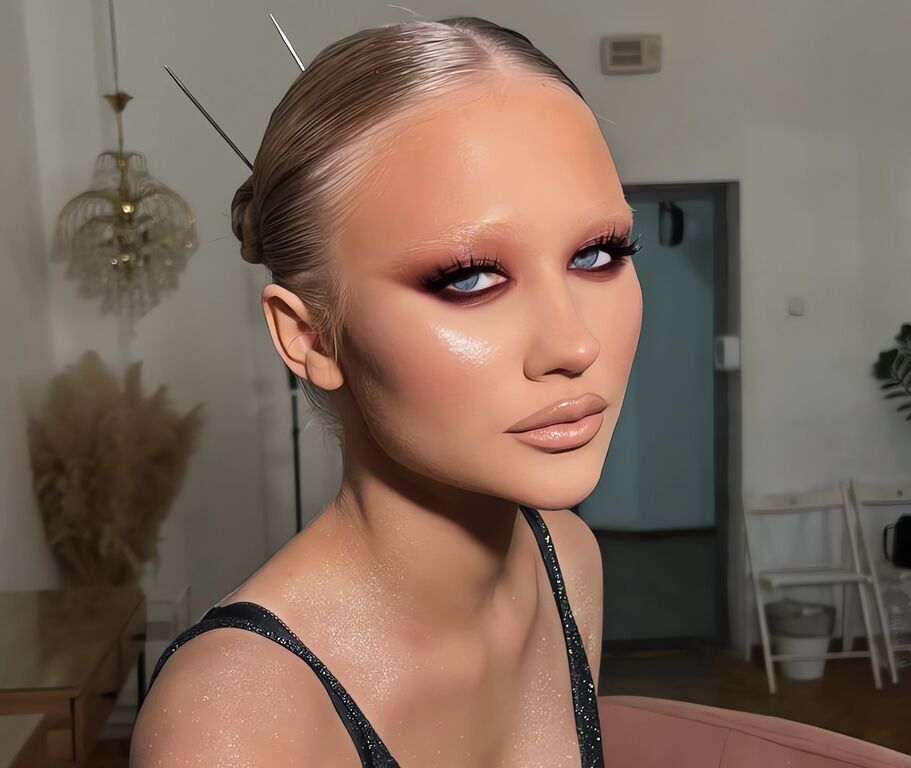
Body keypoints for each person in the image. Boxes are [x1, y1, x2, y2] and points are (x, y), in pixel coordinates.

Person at [131, 15, 642, 767]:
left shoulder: (568, 563)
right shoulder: (231, 721)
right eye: (470, 278)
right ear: (309, 337)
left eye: (599, 254)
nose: (575, 345)